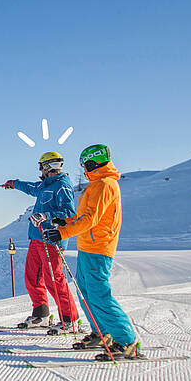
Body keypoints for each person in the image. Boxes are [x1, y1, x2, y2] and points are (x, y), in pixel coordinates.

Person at [42, 144, 141, 360]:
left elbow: (91, 219)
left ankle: (126, 341)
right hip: (87, 246)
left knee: (98, 294)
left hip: (99, 248)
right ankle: (102, 332)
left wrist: (63, 233)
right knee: (85, 291)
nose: (83, 168)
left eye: (84, 164)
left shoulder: (105, 184)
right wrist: (65, 222)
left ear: (93, 162)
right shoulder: (96, 184)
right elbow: (83, 216)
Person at [4, 152, 78, 332]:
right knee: (33, 277)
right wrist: (14, 183)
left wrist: (46, 215)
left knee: (54, 279)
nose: (40, 171)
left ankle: (70, 319)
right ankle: (41, 314)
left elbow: (69, 213)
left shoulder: (62, 186)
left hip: (52, 239)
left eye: (41, 167)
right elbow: (30, 187)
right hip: (37, 238)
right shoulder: (46, 185)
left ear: (47, 167)